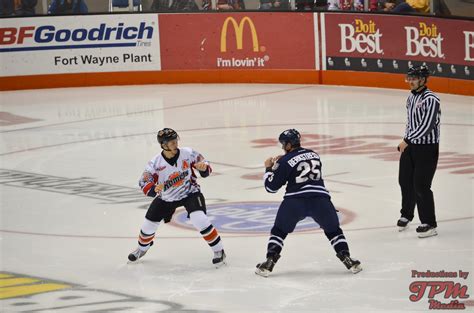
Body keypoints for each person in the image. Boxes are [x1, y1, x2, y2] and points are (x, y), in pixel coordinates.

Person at [256, 129, 362, 277]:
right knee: (333, 231)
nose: (282, 147)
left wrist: (269, 169)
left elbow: (270, 188)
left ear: (288, 145)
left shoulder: (284, 161)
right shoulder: (314, 155)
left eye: (283, 144)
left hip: (295, 201)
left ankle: (269, 263)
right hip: (321, 200)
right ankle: (347, 259)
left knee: (279, 231)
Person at [128, 128, 226, 267]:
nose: (175, 143)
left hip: (190, 193)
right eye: (171, 142)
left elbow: (206, 165)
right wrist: (152, 188)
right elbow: (144, 181)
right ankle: (142, 249)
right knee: (148, 226)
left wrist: (203, 168)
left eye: (175, 140)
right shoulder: (155, 163)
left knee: (199, 219)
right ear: (163, 145)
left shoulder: (188, 153)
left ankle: (219, 251)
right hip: (166, 198)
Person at [397, 65, 441, 238]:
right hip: (410, 147)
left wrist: (407, 140)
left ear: (423, 80)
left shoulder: (431, 99)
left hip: (426, 149)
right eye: (409, 78)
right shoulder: (411, 98)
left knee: (421, 186)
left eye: (414, 78)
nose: (410, 81)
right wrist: (407, 138)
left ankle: (429, 224)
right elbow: (411, 122)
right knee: (404, 181)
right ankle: (407, 214)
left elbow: (427, 126)